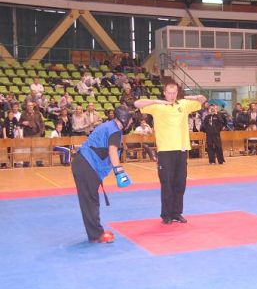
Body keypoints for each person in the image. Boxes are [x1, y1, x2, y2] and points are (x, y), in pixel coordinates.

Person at [134, 83, 206, 224]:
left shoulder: (184, 104)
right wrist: (156, 101)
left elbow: (203, 100)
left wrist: (194, 97)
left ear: (177, 93)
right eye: (169, 93)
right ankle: (166, 215)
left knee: (180, 184)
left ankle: (177, 213)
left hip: (181, 149)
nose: (172, 95)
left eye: (174, 93)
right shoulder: (157, 106)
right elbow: (137, 103)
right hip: (165, 150)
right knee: (167, 184)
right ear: (164, 93)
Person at [71, 105, 133, 243]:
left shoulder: (109, 126)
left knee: (90, 200)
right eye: (130, 119)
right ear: (124, 119)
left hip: (84, 164)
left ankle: (96, 232)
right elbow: (112, 151)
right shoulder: (115, 131)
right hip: (87, 165)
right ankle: (96, 235)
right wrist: (119, 172)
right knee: (90, 201)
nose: (131, 122)